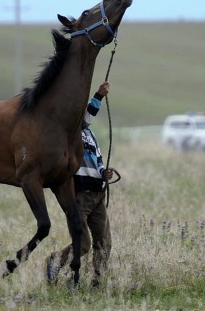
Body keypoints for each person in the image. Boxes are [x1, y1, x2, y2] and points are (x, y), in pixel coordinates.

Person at [46, 81, 114, 287]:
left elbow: (97, 160)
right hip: (79, 196)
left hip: (97, 194)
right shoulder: (69, 134)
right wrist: (98, 96)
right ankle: (54, 261)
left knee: (104, 243)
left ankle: (97, 283)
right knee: (83, 244)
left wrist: (104, 173)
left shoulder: (90, 135)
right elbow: (87, 115)